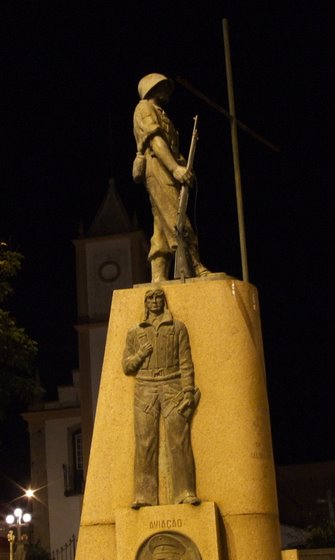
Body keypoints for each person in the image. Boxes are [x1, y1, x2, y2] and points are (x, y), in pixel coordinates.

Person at [123, 288, 200, 508]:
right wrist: (140, 354)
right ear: (145, 303)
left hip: (172, 385)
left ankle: (185, 492)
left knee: (179, 440)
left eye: (158, 297)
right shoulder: (134, 332)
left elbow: (186, 362)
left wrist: (188, 391)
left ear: (163, 301)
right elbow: (127, 367)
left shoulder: (178, 328)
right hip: (145, 388)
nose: (154, 301)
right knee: (145, 442)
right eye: (150, 298)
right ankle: (144, 495)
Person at [132, 73, 211, 282]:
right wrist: (175, 168)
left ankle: (158, 278)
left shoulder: (161, 113)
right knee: (177, 218)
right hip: (157, 168)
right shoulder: (144, 109)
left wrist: (183, 165)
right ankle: (195, 266)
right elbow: (156, 142)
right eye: (163, 86)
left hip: (166, 168)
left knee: (161, 225)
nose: (167, 90)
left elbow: (171, 147)